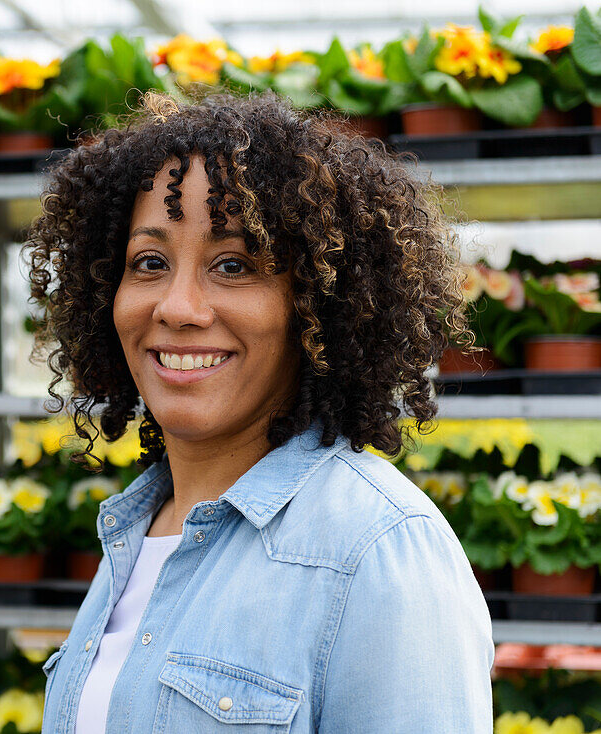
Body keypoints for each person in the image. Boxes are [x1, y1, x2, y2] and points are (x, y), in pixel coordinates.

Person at [24, 90, 494, 733]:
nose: (178, 307)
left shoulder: (375, 550)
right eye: (150, 263)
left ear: (319, 304)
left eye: (234, 264)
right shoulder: (134, 533)